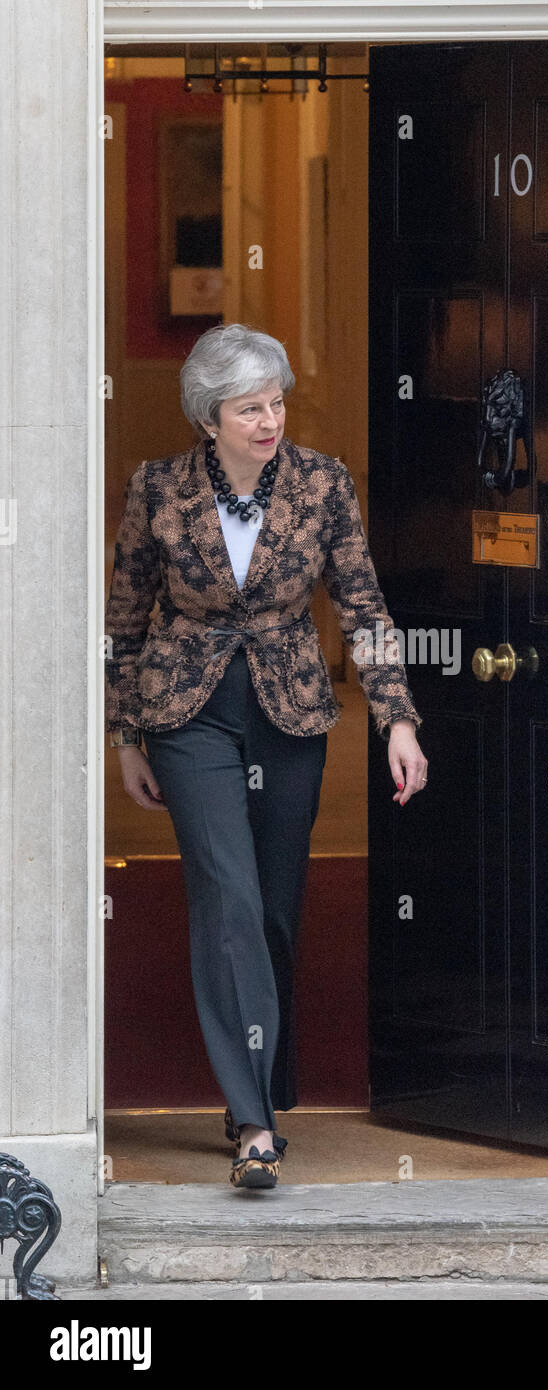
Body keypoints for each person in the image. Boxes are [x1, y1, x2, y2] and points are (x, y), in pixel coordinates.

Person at [105, 322, 427, 1190]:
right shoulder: (158, 489)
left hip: (288, 713)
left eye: (276, 402)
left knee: (278, 908)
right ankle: (254, 1126)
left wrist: (397, 717)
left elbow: (363, 604)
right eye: (249, 408)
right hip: (188, 712)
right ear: (209, 417)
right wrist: (124, 733)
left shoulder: (323, 484)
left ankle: (263, 1080)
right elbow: (125, 618)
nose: (268, 420)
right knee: (230, 896)